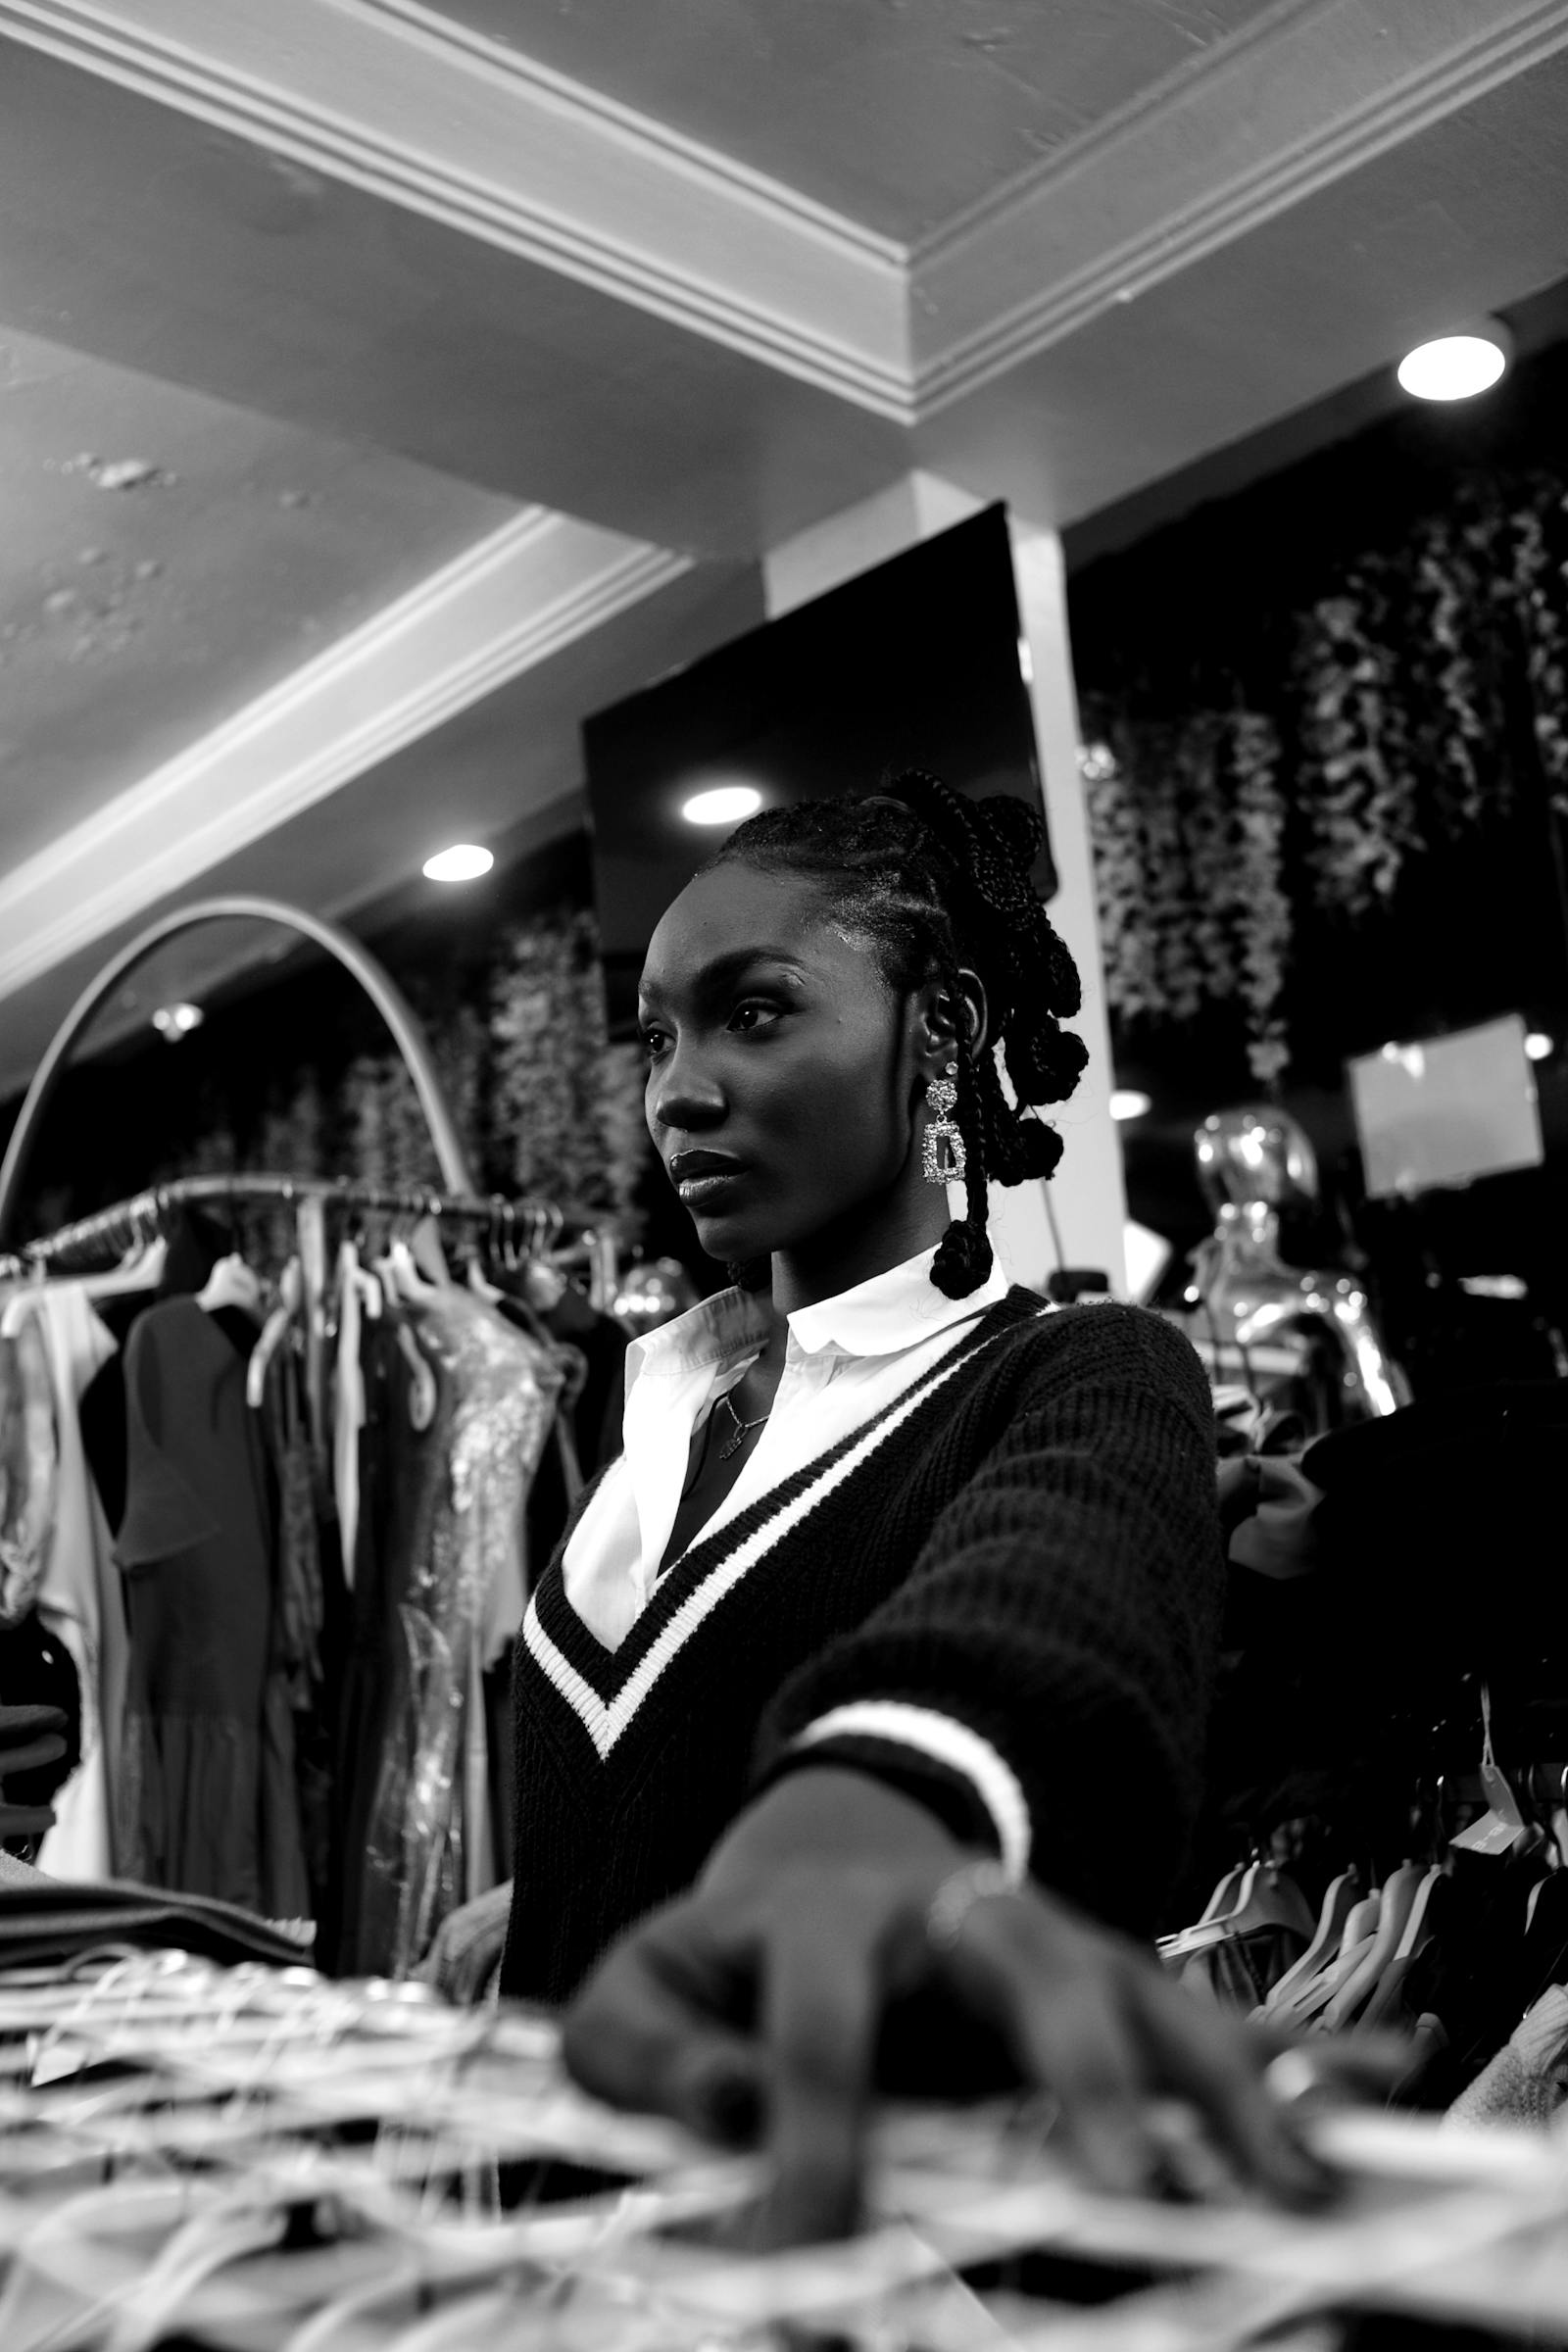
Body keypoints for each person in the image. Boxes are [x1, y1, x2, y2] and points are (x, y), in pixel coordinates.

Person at [500, 772, 1327, 2241]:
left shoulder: (1076, 1369)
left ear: (937, 1029)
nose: (675, 1092)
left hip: (850, 2265)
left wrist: (888, 1797)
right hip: (548, 2264)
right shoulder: (647, 1405)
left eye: (753, 1013)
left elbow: (1055, 1596)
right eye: (656, 1037)